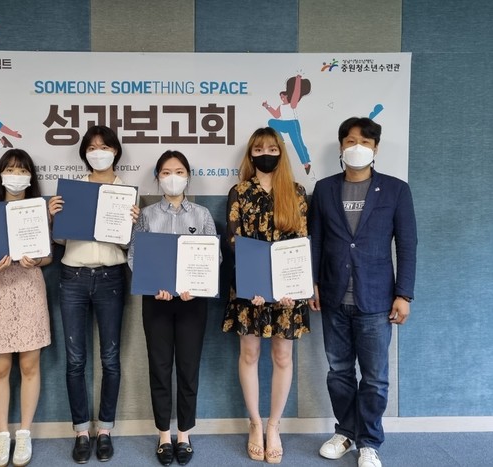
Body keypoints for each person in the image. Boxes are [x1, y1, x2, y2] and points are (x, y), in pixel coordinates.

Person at [308, 117, 417, 467]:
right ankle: (345, 432)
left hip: (376, 298)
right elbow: (316, 240)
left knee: (374, 378)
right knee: (339, 372)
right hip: (333, 295)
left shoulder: (396, 190)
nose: (358, 147)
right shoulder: (324, 189)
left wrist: (404, 294)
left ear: (375, 148)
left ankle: (369, 442)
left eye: (365, 142)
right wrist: (311, 283)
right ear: (341, 146)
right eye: (351, 141)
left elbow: (407, 244)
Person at [47, 125, 139, 464]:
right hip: (72, 276)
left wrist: (134, 225)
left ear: (115, 151)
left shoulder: (127, 193)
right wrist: (52, 218)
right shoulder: (72, 191)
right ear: (84, 153)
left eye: (104, 147)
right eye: (92, 147)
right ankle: (81, 431)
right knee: (75, 360)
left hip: (111, 277)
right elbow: (60, 241)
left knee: (110, 359)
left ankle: (105, 430)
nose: (98, 152)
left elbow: (130, 246)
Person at [222, 127, 310, 464]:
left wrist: (292, 287)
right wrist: (254, 284)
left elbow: (301, 242)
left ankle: (274, 425)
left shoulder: (296, 192)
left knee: (283, 357)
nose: (265, 154)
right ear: (251, 154)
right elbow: (234, 242)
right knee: (249, 353)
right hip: (251, 289)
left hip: (288, 293)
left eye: (272, 148)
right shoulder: (239, 192)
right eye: (259, 149)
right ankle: (255, 423)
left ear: (281, 153)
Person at [127, 151, 217, 466]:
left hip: (193, 303)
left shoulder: (202, 215)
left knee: (188, 369)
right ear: (158, 178)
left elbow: (214, 257)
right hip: (157, 302)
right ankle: (164, 434)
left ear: (188, 176)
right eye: (166, 172)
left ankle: (184, 434)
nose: (173, 178)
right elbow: (134, 255)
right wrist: (154, 285)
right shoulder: (147, 215)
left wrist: (199, 285)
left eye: (179, 171)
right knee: (160, 367)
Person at [0, 149, 52, 467]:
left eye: (22, 170)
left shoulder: (39, 210)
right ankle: (2, 435)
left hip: (30, 288)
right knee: (0, 367)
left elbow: (48, 256)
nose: (16, 176)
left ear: (31, 177)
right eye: (10, 169)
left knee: (30, 366)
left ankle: (24, 433)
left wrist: (38, 260)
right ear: (1, 175)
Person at [263, 74, 312, 174]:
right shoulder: (281, 106)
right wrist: (267, 106)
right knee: (271, 122)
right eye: (281, 96)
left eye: (283, 96)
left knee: (298, 143)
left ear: (287, 96)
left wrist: (298, 80)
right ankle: (281, 140)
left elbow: (296, 93)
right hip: (285, 124)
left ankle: (306, 164)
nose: (282, 98)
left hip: (293, 124)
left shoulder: (292, 103)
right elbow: (276, 115)